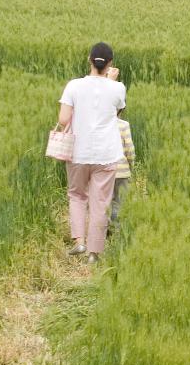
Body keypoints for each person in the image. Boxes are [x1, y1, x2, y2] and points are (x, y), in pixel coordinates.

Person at [57, 42, 126, 264]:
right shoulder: (118, 88)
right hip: (106, 153)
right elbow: (116, 110)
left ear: (89, 60)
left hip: (78, 152)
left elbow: (63, 120)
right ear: (110, 64)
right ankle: (94, 253)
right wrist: (110, 82)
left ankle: (79, 241)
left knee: (77, 195)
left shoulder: (73, 86)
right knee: (101, 201)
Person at [108, 107, 136, 230]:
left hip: (104, 171)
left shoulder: (100, 125)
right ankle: (116, 229)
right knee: (119, 201)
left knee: (106, 202)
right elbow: (129, 149)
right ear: (121, 109)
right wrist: (132, 164)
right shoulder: (124, 125)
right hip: (122, 171)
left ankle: (106, 228)